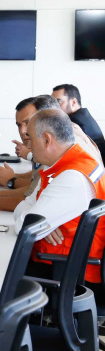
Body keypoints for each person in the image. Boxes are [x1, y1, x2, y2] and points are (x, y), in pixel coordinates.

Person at [16, 109, 105, 287]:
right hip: (63, 263)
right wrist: (44, 225)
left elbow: (23, 226)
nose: (29, 147)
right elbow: (24, 208)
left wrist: (37, 222)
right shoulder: (70, 161)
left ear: (47, 140)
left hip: (67, 273)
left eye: (31, 139)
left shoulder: (72, 177)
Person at [53, 83, 105, 157]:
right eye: (53, 102)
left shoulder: (75, 122)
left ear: (73, 102)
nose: (54, 107)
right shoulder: (83, 116)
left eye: (58, 101)